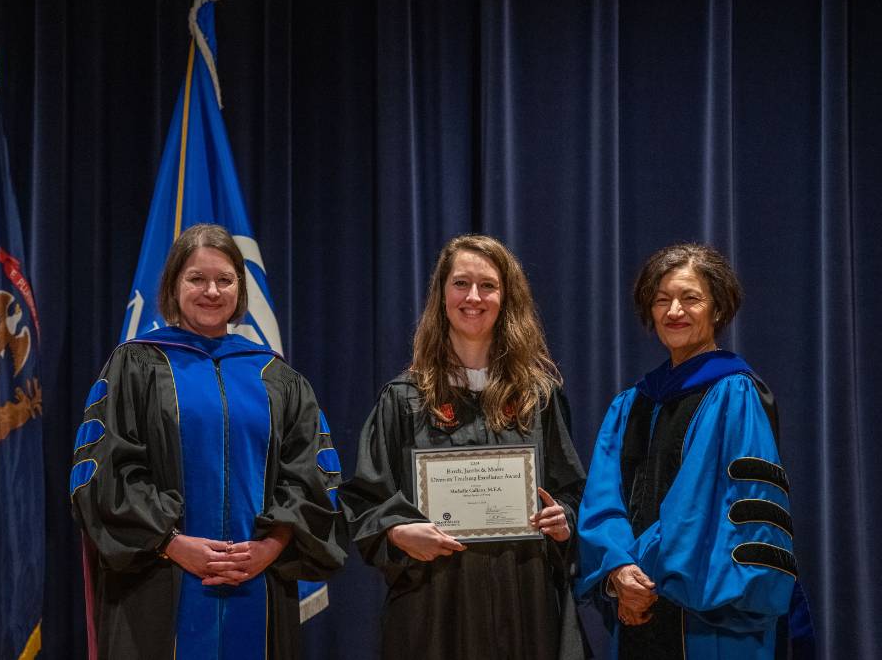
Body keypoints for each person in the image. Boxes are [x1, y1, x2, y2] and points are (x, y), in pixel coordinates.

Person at [70, 224, 346, 659]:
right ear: (174, 286)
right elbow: (103, 475)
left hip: (258, 581)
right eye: (196, 278)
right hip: (157, 583)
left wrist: (269, 548)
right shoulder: (135, 365)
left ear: (240, 287)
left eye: (225, 279)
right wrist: (172, 544)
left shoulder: (278, 378)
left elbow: (314, 475)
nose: (211, 291)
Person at [340, 234, 587, 659]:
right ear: (441, 295)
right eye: (460, 284)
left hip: (523, 600)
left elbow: (572, 492)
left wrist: (562, 519)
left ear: (506, 297)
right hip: (434, 604)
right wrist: (397, 532)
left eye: (488, 285)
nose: (473, 297)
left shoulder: (537, 396)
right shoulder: (405, 399)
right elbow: (364, 500)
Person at [577, 243, 796, 658]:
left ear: (717, 308)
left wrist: (636, 574)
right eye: (662, 300)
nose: (674, 311)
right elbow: (602, 500)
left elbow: (702, 507)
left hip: (713, 611)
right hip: (637, 604)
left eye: (690, 298)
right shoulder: (631, 404)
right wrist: (616, 569)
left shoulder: (734, 392)